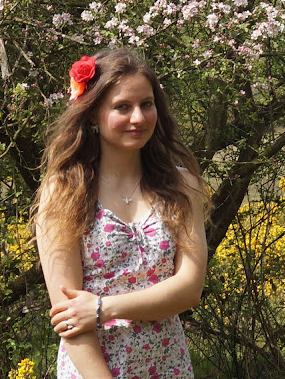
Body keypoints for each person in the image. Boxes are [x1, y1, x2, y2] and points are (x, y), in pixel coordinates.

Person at [31, 48, 208, 379]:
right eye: (122, 107)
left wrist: (102, 308)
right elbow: (71, 320)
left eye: (146, 104)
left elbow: (189, 289)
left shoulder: (182, 185)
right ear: (93, 113)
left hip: (169, 367)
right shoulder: (65, 191)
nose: (138, 118)